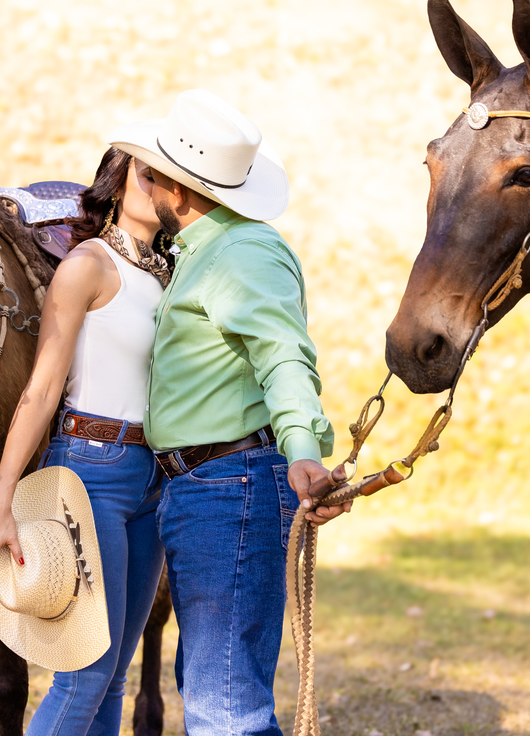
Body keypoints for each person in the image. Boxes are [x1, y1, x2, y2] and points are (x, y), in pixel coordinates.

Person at [107, 89, 350, 736]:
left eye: (153, 173)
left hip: (229, 488)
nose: (145, 183)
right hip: (209, 487)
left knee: (225, 709)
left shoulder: (242, 254)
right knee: (213, 690)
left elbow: (284, 356)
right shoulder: (204, 254)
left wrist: (304, 451)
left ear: (179, 189)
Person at [0, 146, 172, 735]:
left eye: (170, 178)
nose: (159, 186)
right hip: (92, 469)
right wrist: (2, 499)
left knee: (114, 676)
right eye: (146, 174)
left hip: (153, 477)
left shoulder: (171, 274)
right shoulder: (88, 265)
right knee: (83, 676)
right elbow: (42, 389)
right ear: (116, 182)